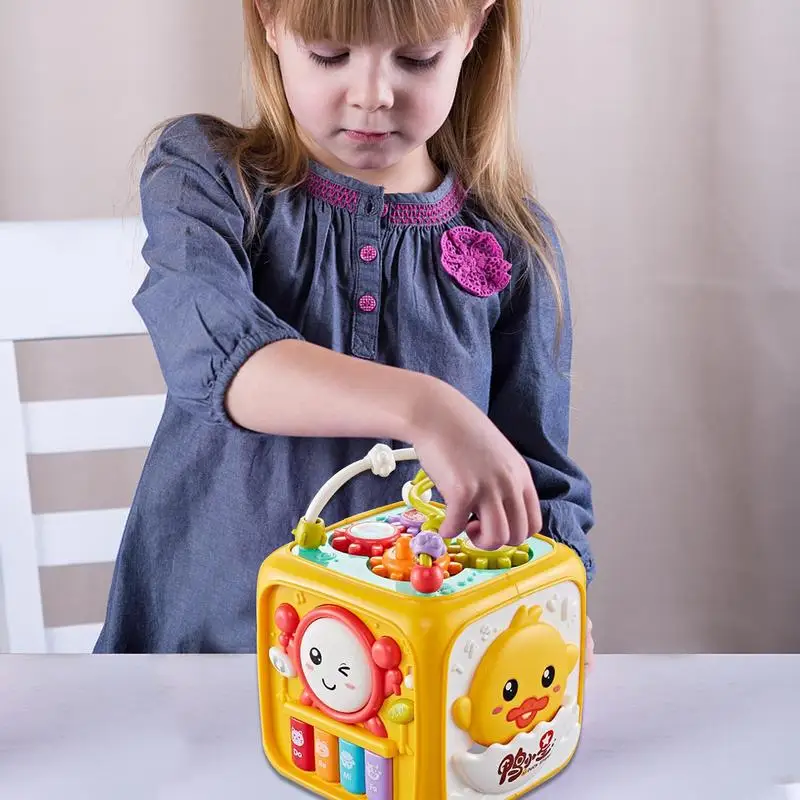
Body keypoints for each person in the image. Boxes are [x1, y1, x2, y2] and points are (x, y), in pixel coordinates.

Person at [93, 0, 596, 664]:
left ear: (474, 29)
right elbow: (214, 354)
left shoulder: (514, 244)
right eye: (330, 55)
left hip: (411, 679)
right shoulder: (207, 173)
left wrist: (556, 601)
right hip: (201, 662)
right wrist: (428, 408)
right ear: (270, 20)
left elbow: (538, 482)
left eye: (417, 58)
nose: (372, 95)